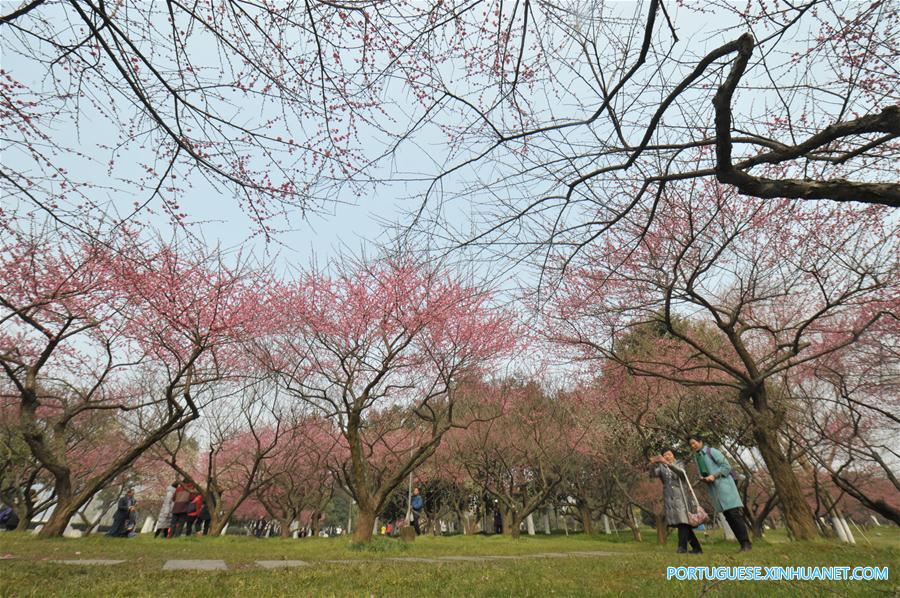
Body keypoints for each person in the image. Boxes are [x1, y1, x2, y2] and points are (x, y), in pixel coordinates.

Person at [689, 435, 752, 552]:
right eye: (691, 444)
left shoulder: (711, 451)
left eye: (694, 443)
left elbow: (727, 466)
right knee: (728, 517)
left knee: (734, 514)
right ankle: (742, 544)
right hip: (714, 490)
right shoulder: (696, 457)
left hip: (725, 487)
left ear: (700, 441)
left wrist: (714, 475)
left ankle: (746, 543)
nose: (693, 446)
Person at [649, 449, 702, 554]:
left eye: (669, 454)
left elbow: (681, 474)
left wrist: (667, 464)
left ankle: (682, 547)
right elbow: (653, 475)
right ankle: (697, 548)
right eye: (664, 455)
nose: (667, 456)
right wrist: (652, 464)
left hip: (681, 495)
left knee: (683, 521)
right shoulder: (661, 468)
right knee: (682, 523)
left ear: (673, 456)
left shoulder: (679, 464)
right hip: (669, 497)